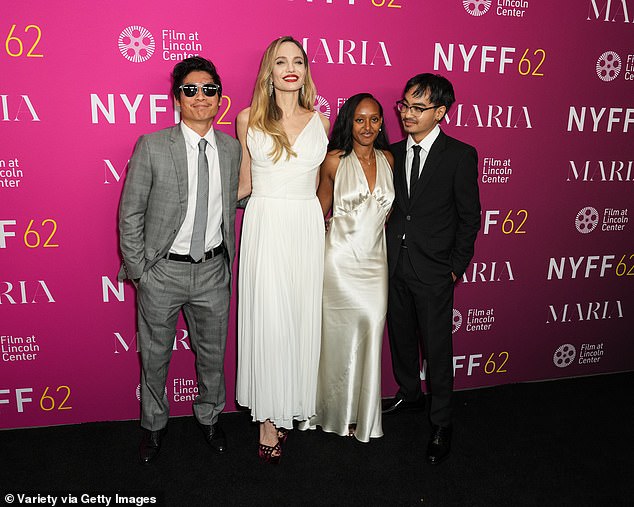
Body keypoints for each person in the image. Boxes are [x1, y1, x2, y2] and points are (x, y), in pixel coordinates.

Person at [118, 56, 241, 464]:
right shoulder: (153, 145)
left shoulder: (230, 149)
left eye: (209, 89)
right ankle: (153, 426)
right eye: (190, 89)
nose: (200, 97)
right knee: (154, 357)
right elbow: (130, 213)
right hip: (162, 272)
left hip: (212, 271)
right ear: (177, 97)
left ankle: (209, 418)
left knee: (212, 354)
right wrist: (140, 272)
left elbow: (234, 200)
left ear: (219, 97)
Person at [235, 36, 329, 464]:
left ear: (306, 69)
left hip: (305, 226)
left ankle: (290, 406)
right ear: (268, 72)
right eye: (280, 61)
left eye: (298, 61)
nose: (290, 68)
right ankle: (267, 422)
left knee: (297, 316)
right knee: (269, 319)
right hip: (266, 224)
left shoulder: (322, 121)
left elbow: (324, 185)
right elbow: (244, 184)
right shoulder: (247, 119)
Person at [382, 73, 481, 465]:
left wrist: (455, 268)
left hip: (435, 270)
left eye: (418, 108)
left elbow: (469, 217)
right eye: (405, 105)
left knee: (438, 350)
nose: (407, 113)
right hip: (393, 267)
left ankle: (441, 422)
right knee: (401, 338)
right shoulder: (390, 152)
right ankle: (410, 394)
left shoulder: (459, 155)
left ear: (440, 112)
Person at [301, 93, 394, 442]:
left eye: (374, 119)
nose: (367, 126)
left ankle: (362, 413)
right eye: (359, 119)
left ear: (382, 122)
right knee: (336, 340)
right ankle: (331, 412)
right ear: (348, 122)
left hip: (375, 263)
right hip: (338, 261)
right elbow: (317, 208)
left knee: (371, 328)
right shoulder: (334, 161)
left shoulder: (389, 158)